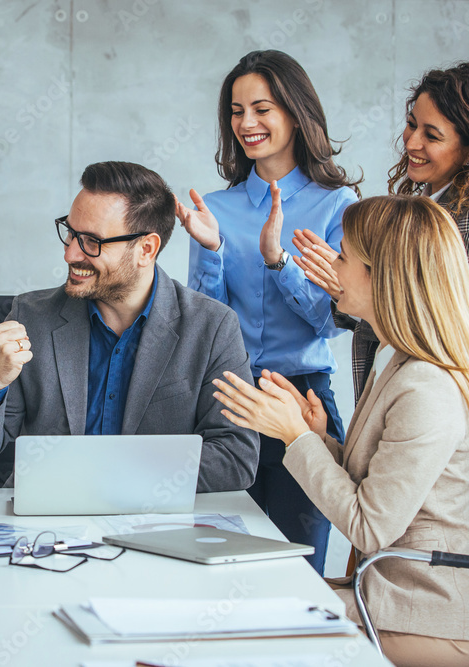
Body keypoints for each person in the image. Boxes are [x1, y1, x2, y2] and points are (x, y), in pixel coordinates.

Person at [215, 196, 469, 667]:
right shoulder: (396, 359)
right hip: (403, 599)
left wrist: (297, 438)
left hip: (440, 623)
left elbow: (369, 526)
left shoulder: (427, 388)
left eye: (343, 257)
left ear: (384, 277)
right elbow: (383, 482)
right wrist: (319, 437)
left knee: (242, 631)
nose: (332, 268)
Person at [293, 62, 469, 524]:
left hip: (462, 452)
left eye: (431, 134)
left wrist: (354, 290)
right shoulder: (440, 203)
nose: (411, 142)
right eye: (412, 124)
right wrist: (352, 289)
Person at [0, 161, 260, 492]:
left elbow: (235, 458)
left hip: (156, 524)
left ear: (146, 249)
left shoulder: (212, 327)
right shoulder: (31, 315)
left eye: (91, 242)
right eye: (70, 233)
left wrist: (104, 476)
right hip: (47, 525)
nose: (70, 253)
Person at [176, 50, 359, 573]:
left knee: (296, 562)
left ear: (296, 113)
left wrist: (279, 261)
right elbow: (204, 323)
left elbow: (332, 320)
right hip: (229, 398)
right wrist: (211, 251)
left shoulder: (337, 205)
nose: (247, 124)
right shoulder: (216, 207)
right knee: (219, 556)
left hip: (301, 399)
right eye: (236, 111)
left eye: (262, 108)